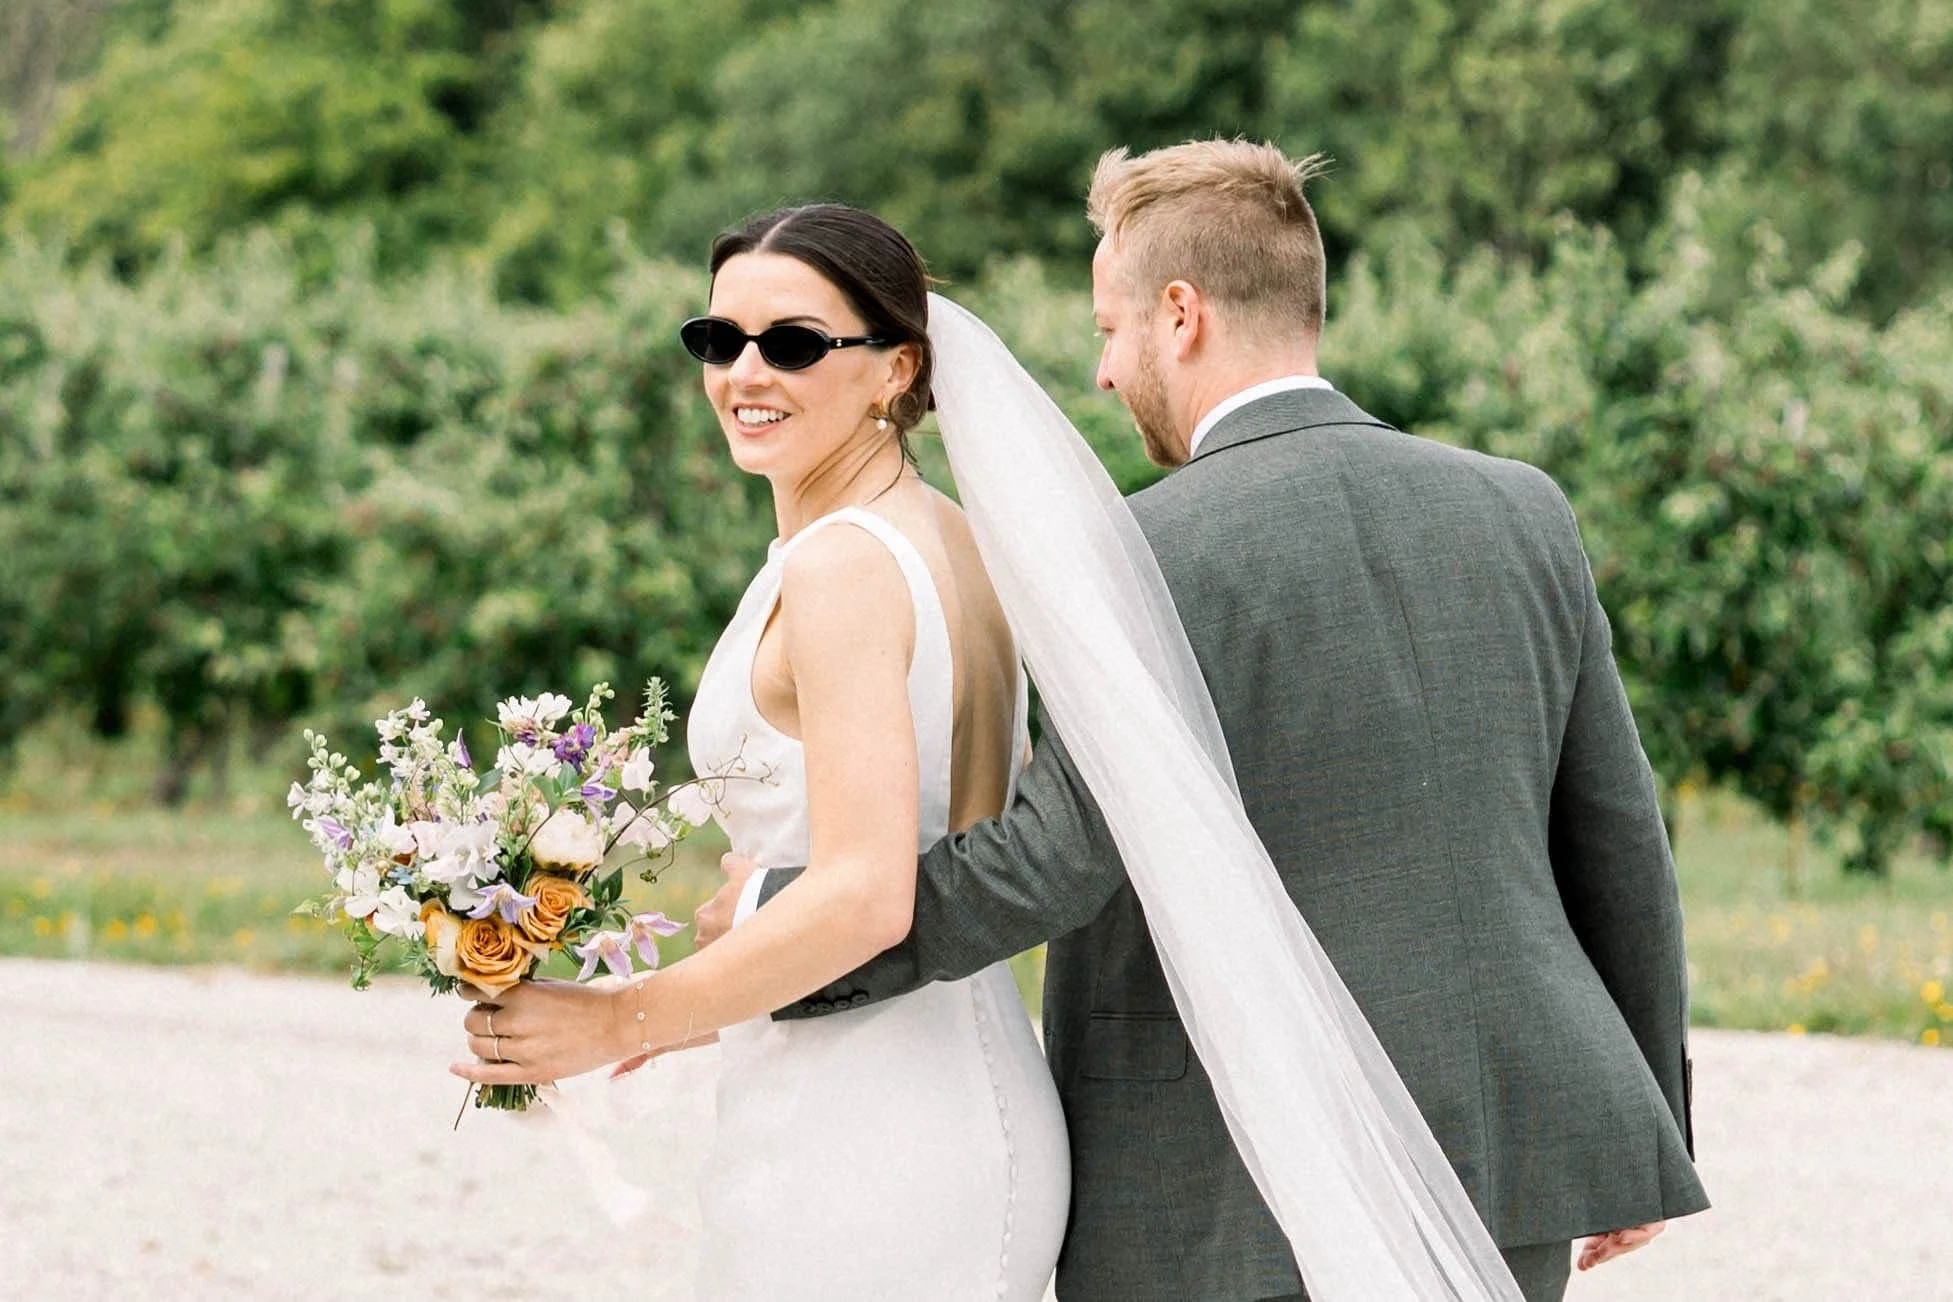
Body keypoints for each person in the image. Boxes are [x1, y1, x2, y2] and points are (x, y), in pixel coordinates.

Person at [693, 140, 1710, 1301]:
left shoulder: (1143, 557)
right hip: (1507, 1153)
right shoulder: (1523, 510)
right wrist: (1647, 1120)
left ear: (1180, 317)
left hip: (1225, 1185)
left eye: (1107, 331)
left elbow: (1049, 867)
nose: (1106, 376)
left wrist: (786, 927)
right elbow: (1620, 843)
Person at [451, 203, 1071, 1299]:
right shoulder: (960, 536)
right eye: (717, 339)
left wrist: (617, 1017)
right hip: (962, 1083)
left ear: (896, 369)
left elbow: (868, 898)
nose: (745, 372)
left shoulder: (839, 569)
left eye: (792, 343)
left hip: (862, 1127)